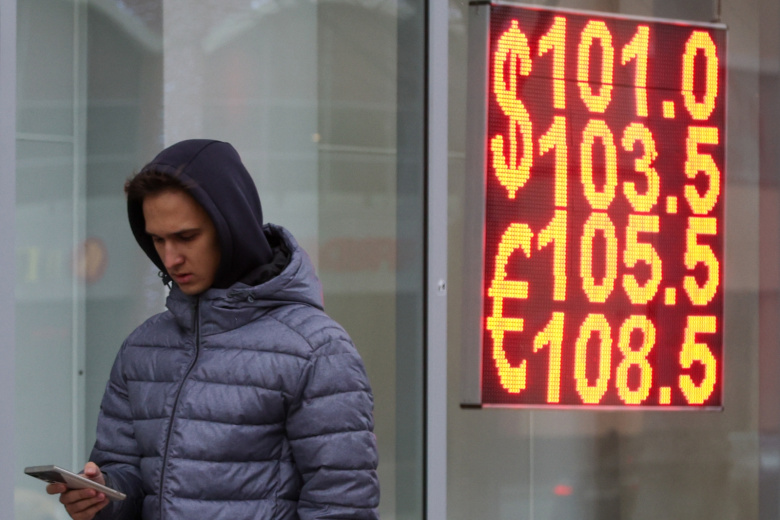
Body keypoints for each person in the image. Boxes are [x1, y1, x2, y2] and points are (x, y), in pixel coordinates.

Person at [47, 139, 380, 520]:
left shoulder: (317, 349)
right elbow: (128, 477)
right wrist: (100, 497)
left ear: (231, 227)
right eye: (157, 239)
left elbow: (342, 506)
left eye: (186, 237)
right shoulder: (143, 348)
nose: (170, 258)